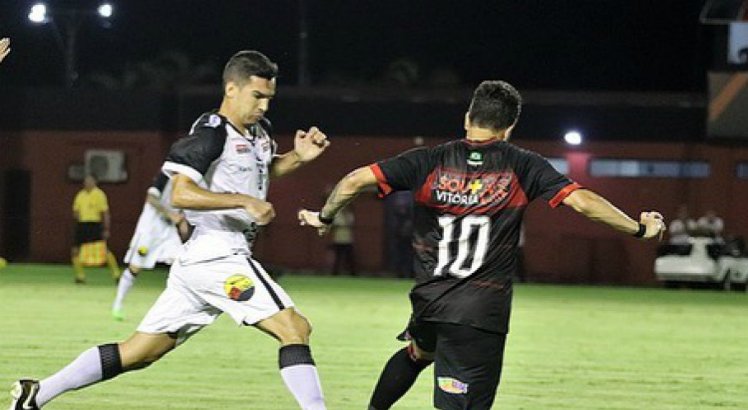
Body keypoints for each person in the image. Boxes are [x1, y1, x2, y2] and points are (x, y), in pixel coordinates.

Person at [298, 80, 666, 410]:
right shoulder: (522, 165)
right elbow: (583, 202)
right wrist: (639, 229)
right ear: (509, 127)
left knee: (419, 352)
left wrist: (324, 217)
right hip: (477, 313)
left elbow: (351, 181)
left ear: (467, 117)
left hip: (429, 301)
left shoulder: (428, 160)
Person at [11, 50, 330, 410]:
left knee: (139, 353)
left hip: (200, 263)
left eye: (269, 98)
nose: (264, 106)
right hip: (218, 256)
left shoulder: (259, 133)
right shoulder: (210, 132)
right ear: (231, 89)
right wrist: (243, 201)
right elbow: (181, 193)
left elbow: (259, 172)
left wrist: (297, 158)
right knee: (294, 328)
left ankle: (37, 393)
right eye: (257, 96)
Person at [111, 171, 190, 321]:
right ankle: (118, 304)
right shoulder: (165, 176)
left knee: (182, 264)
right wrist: (171, 215)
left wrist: (184, 221)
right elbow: (151, 198)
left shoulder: (190, 179)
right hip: (149, 230)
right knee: (135, 268)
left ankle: (174, 311)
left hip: (168, 232)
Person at [71, 175, 120, 283]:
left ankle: (116, 274)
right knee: (75, 250)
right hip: (82, 225)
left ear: (95, 182)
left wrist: (106, 228)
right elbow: (75, 210)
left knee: (104, 249)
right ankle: (80, 276)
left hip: (94, 224)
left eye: (89, 181)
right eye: (85, 181)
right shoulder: (80, 195)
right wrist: (77, 217)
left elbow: (105, 213)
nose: (87, 183)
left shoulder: (99, 194)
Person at [330, 207, 356, 275]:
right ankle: (335, 272)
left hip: (348, 239)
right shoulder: (337, 215)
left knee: (350, 257)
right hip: (338, 239)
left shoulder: (349, 215)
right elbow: (335, 225)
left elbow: (351, 224)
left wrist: (344, 223)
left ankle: (352, 272)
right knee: (338, 257)